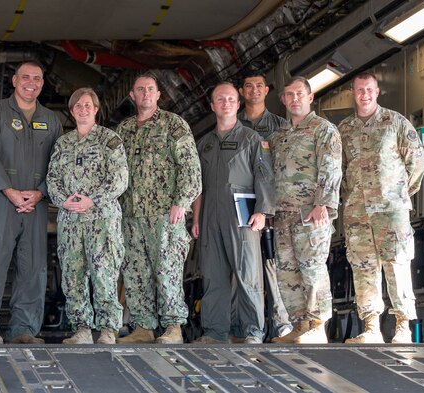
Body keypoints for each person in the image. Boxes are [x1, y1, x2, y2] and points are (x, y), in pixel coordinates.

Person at [0, 61, 62, 344]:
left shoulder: (52, 120)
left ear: (42, 84)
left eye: (37, 78)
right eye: (26, 77)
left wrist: (41, 192)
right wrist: (8, 190)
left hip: (35, 204)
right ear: (14, 80)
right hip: (1, 201)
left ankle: (24, 329)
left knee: (33, 266)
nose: (31, 83)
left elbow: (60, 164)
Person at [338, 72, 424, 344]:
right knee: (364, 269)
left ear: (377, 92)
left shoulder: (395, 123)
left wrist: (398, 194)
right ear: (353, 92)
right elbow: (338, 171)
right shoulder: (343, 129)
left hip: (391, 211)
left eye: (369, 89)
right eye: (359, 90)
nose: (364, 94)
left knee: (397, 265)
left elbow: (417, 161)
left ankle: (402, 327)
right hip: (358, 213)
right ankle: (371, 327)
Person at [115, 74, 202, 344]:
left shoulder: (173, 125)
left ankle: (173, 326)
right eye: (139, 89)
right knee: (135, 272)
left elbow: (191, 168)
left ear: (158, 95)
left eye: (150, 89)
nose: (145, 94)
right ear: (132, 95)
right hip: (131, 215)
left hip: (165, 214)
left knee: (167, 270)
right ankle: (143, 326)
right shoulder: (123, 130)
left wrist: (182, 202)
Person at [191, 82, 274, 344]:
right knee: (213, 275)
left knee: (247, 273)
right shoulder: (203, 144)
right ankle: (215, 332)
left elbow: (264, 176)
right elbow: (197, 187)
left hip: (242, 216)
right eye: (220, 99)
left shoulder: (252, 139)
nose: (225, 103)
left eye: (230, 99)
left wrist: (262, 211)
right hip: (210, 217)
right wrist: (196, 219)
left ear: (238, 105)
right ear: (212, 106)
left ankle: (252, 331)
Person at [47, 88, 128, 345]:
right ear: (72, 112)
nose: (83, 109)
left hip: (101, 221)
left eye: (87, 105)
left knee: (104, 274)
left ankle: (107, 329)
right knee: (72, 275)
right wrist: (64, 200)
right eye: (77, 106)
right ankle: (81, 328)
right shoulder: (63, 143)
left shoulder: (109, 140)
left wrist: (92, 200)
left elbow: (119, 179)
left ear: (96, 109)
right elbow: (52, 179)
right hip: (71, 221)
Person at [269, 76, 342, 344]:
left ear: (310, 97)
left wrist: (324, 203)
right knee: (287, 271)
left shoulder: (323, 129)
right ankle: (299, 324)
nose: (294, 99)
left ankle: (317, 325)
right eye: (289, 95)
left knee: (312, 269)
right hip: (283, 215)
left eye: (300, 94)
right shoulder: (278, 136)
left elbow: (331, 168)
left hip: (310, 213)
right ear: (284, 100)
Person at [237, 73, 292, 342]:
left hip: (273, 206)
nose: (254, 90)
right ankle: (246, 326)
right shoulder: (232, 123)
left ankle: (283, 325)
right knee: (245, 267)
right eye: (249, 85)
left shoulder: (280, 126)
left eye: (259, 86)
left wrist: (271, 207)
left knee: (274, 264)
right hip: (242, 204)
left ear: (267, 90)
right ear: (242, 91)